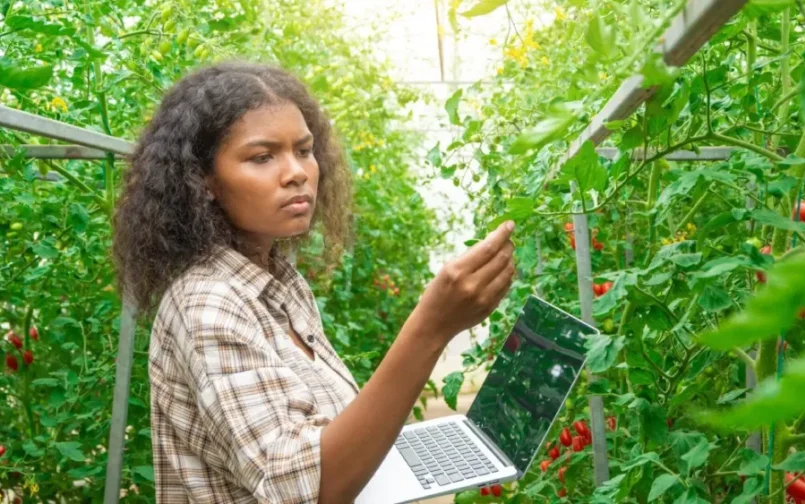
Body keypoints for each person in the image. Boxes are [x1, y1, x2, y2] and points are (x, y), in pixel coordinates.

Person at [112, 61, 516, 504]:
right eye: (262, 157)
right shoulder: (208, 304)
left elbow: (315, 439)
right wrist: (431, 326)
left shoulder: (281, 282)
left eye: (304, 150)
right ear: (203, 180)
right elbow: (306, 491)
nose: (296, 172)